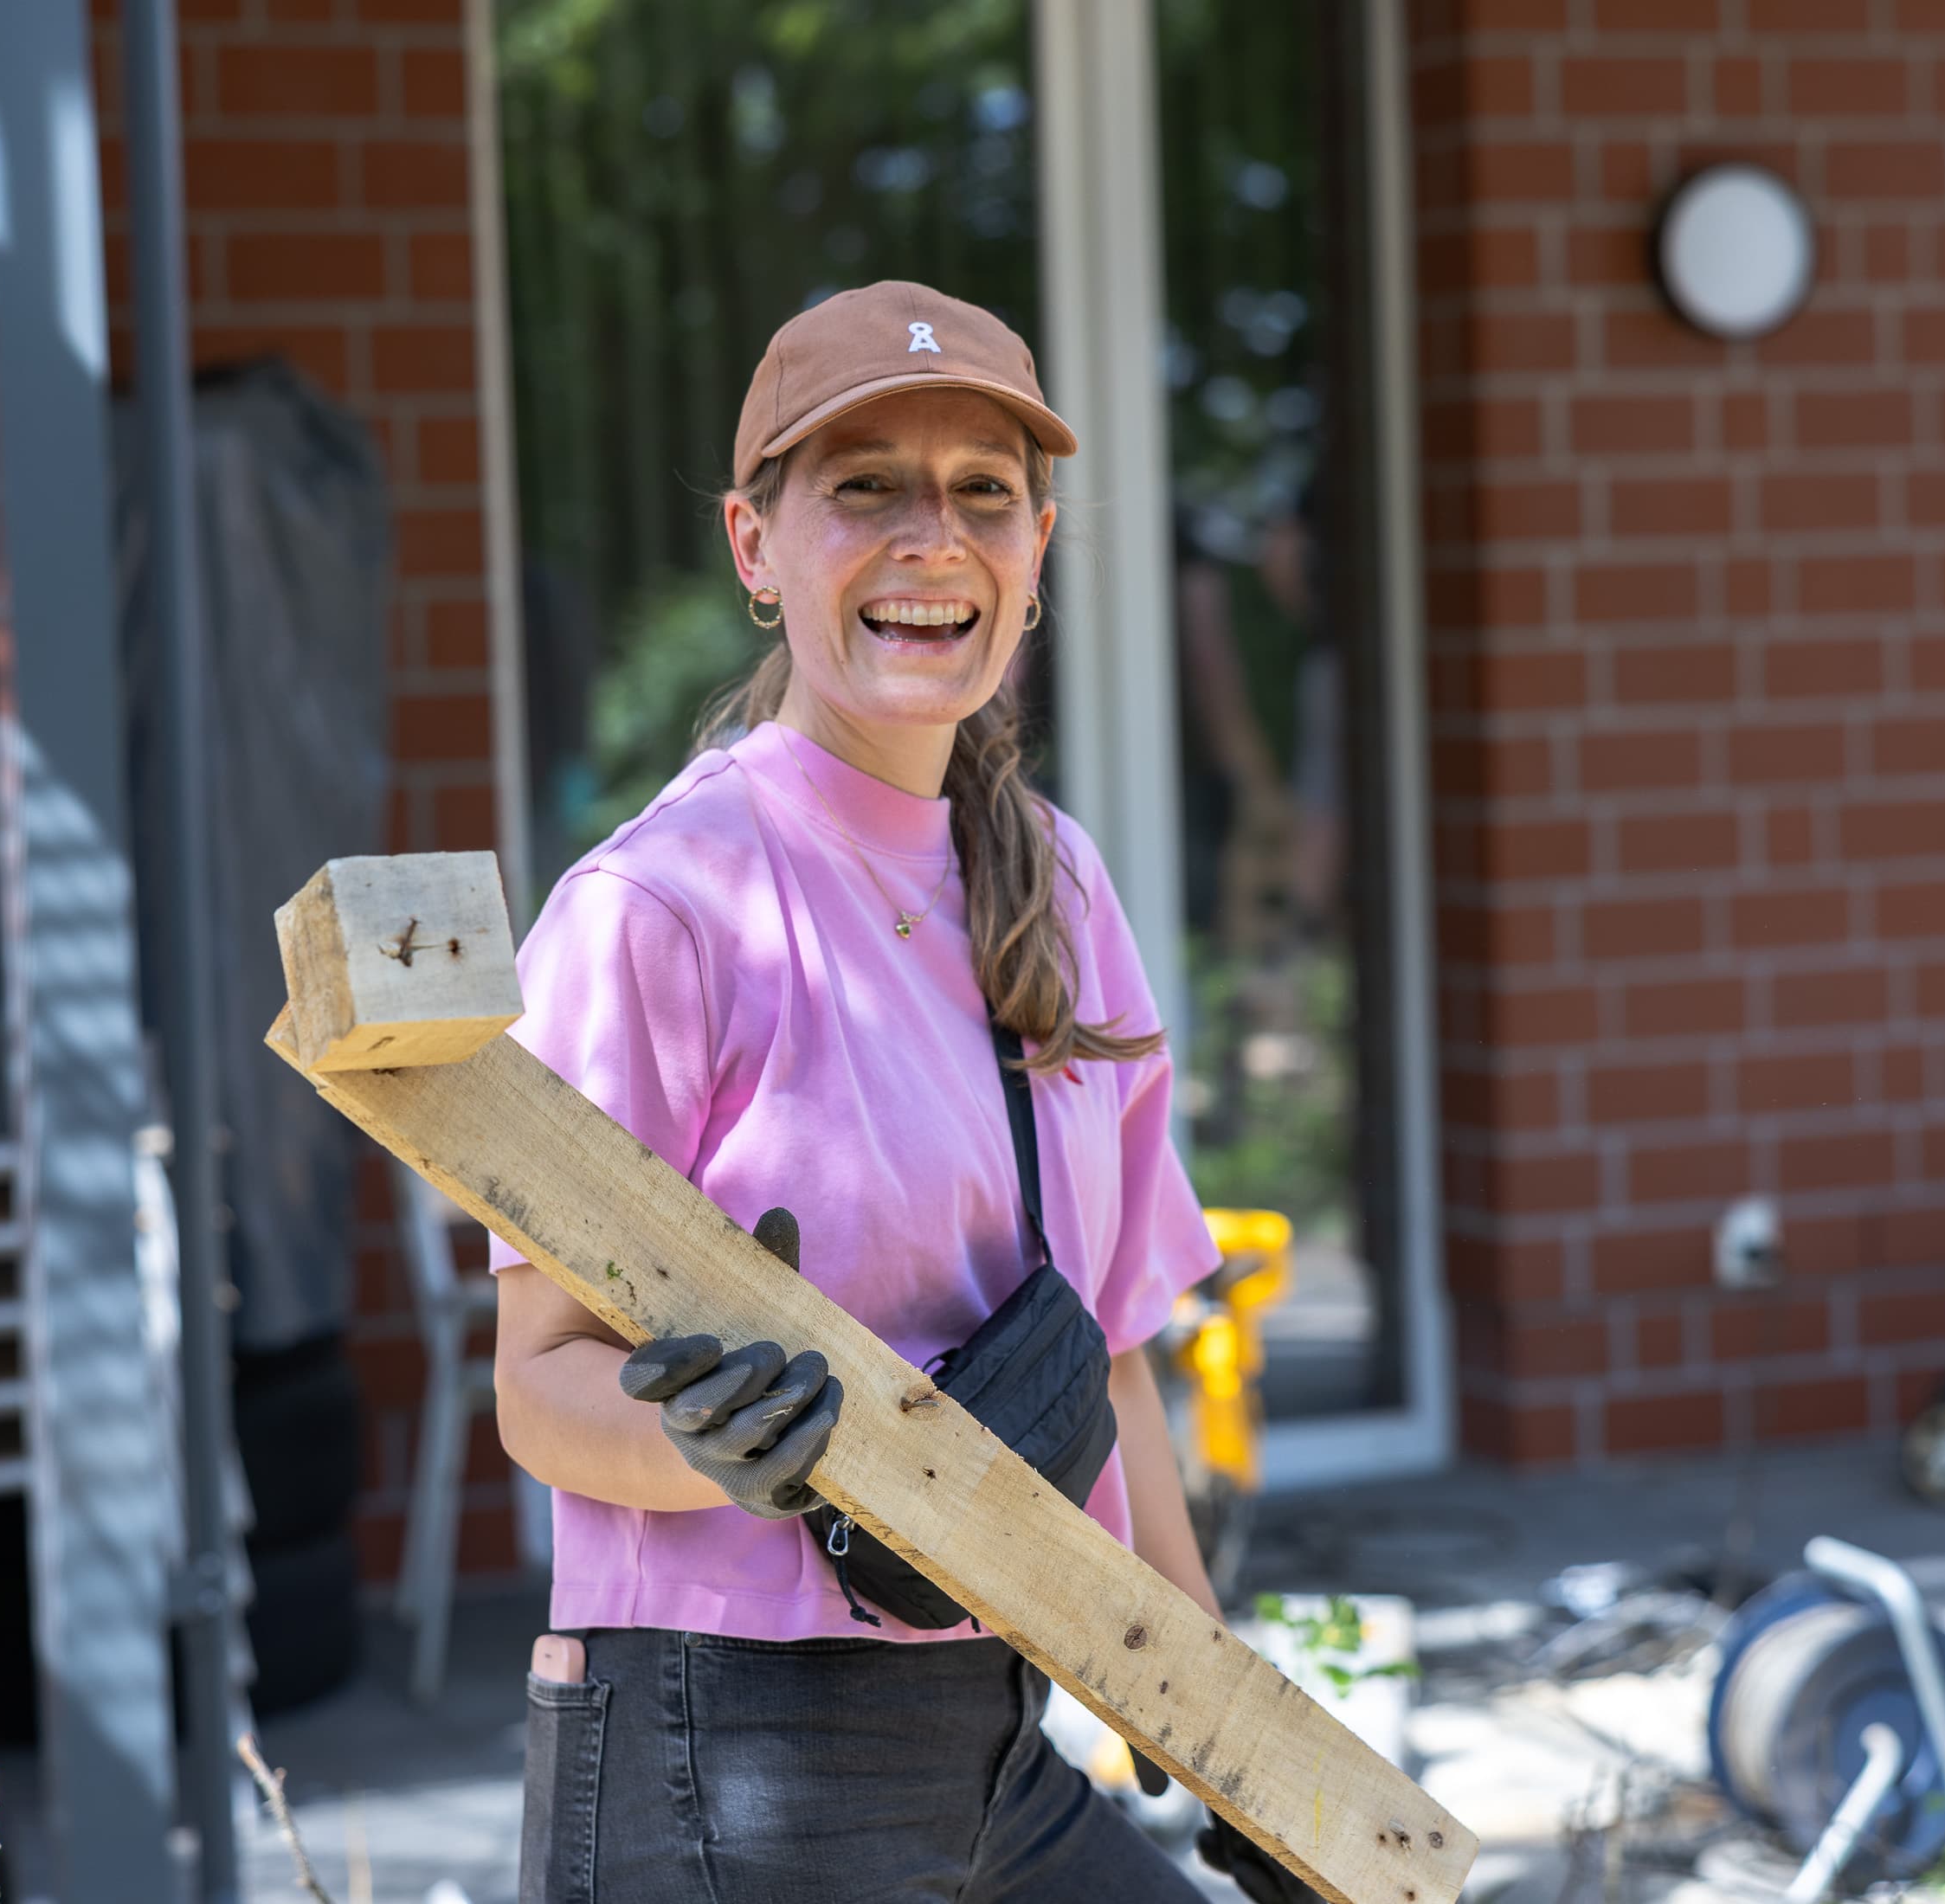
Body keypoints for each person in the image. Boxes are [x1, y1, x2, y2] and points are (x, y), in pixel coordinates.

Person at [490, 281, 1317, 1903]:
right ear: (755, 546)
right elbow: (538, 1392)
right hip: (720, 1738)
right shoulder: (661, 909)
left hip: (995, 1733)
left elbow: (1112, 1354)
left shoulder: (1060, 886)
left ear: (1037, 549)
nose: (932, 536)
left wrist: (1227, 1736)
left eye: (982, 492)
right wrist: (714, 1446)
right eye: (865, 486)